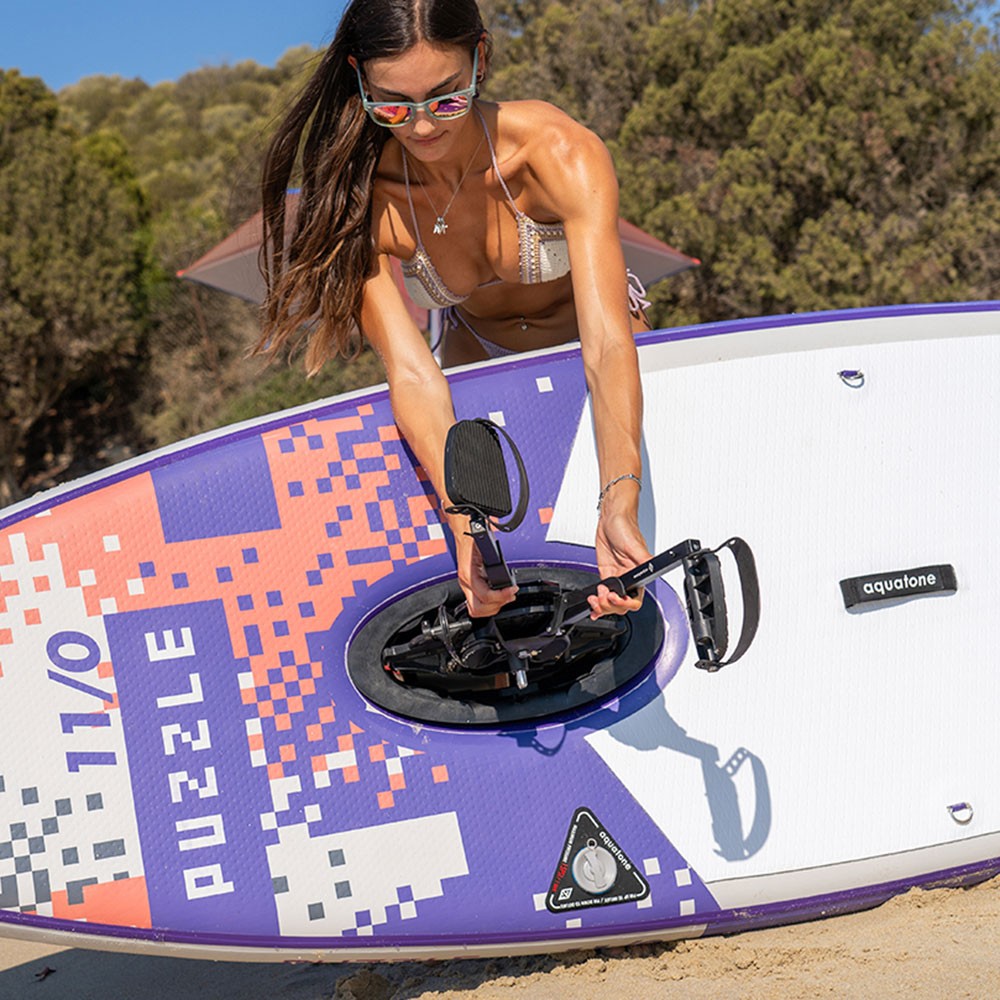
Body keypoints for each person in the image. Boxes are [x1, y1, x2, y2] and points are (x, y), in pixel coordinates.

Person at [255, 0, 652, 620]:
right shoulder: (359, 203)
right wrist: (464, 525)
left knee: (625, 533)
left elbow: (604, 345)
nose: (420, 128)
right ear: (361, 80)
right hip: (481, 354)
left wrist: (619, 499)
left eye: (445, 99)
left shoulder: (557, 152)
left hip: (597, 340)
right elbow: (414, 375)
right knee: (513, 560)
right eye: (393, 105)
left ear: (480, 61)